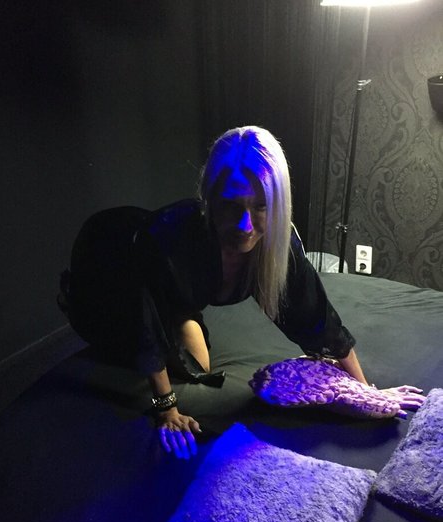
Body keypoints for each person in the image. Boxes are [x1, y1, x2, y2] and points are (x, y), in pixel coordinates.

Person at [58, 125, 423, 460]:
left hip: (169, 288)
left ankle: (180, 312)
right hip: (109, 266)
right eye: (232, 206)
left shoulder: (278, 243)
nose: (246, 225)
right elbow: (144, 324)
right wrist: (167, 409)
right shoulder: (168, 240)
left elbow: (316, 316)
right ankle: (154, 313)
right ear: (209, 199)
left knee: (198, 366)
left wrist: (366, 392)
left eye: (261, 206)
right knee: (126, 351)